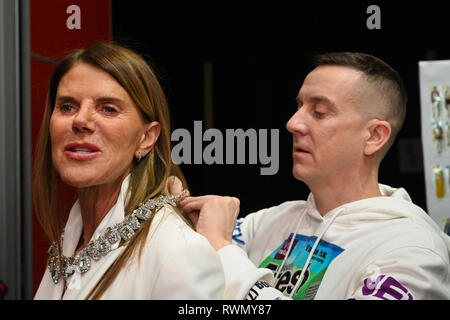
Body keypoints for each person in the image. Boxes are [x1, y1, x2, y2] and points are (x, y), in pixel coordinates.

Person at [178, 52, 450, 300]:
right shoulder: (271, 221)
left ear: (374, 137)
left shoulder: (413, 250)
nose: (293, 123)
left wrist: (222, 247)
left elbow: (219, 244)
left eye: (319, 112)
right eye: (299, 107)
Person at [33, 42, 225, 299]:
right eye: (67, 106)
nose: (80, 120)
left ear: (146, 138)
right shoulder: (71, 239)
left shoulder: (178, 250)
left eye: (108, 108)